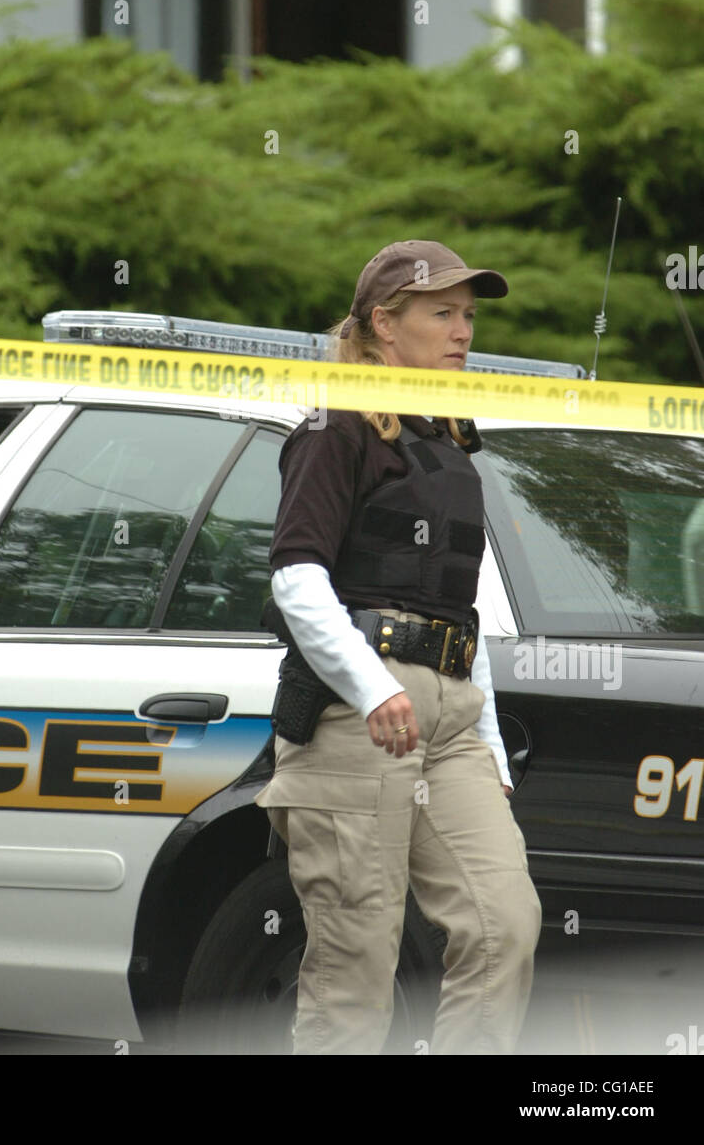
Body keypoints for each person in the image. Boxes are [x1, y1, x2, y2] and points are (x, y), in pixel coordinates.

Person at [254, 239, 543, 1056]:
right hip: (357, 718)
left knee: (504, 928)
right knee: (353, 977)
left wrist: (486, 740)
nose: (462, 332)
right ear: (383, 323)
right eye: (442, 314)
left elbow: (463, 605)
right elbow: (296, 579)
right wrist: (372, 686)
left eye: (469, 316)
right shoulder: (333, 423)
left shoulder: (449, 440)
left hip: (450, 722)